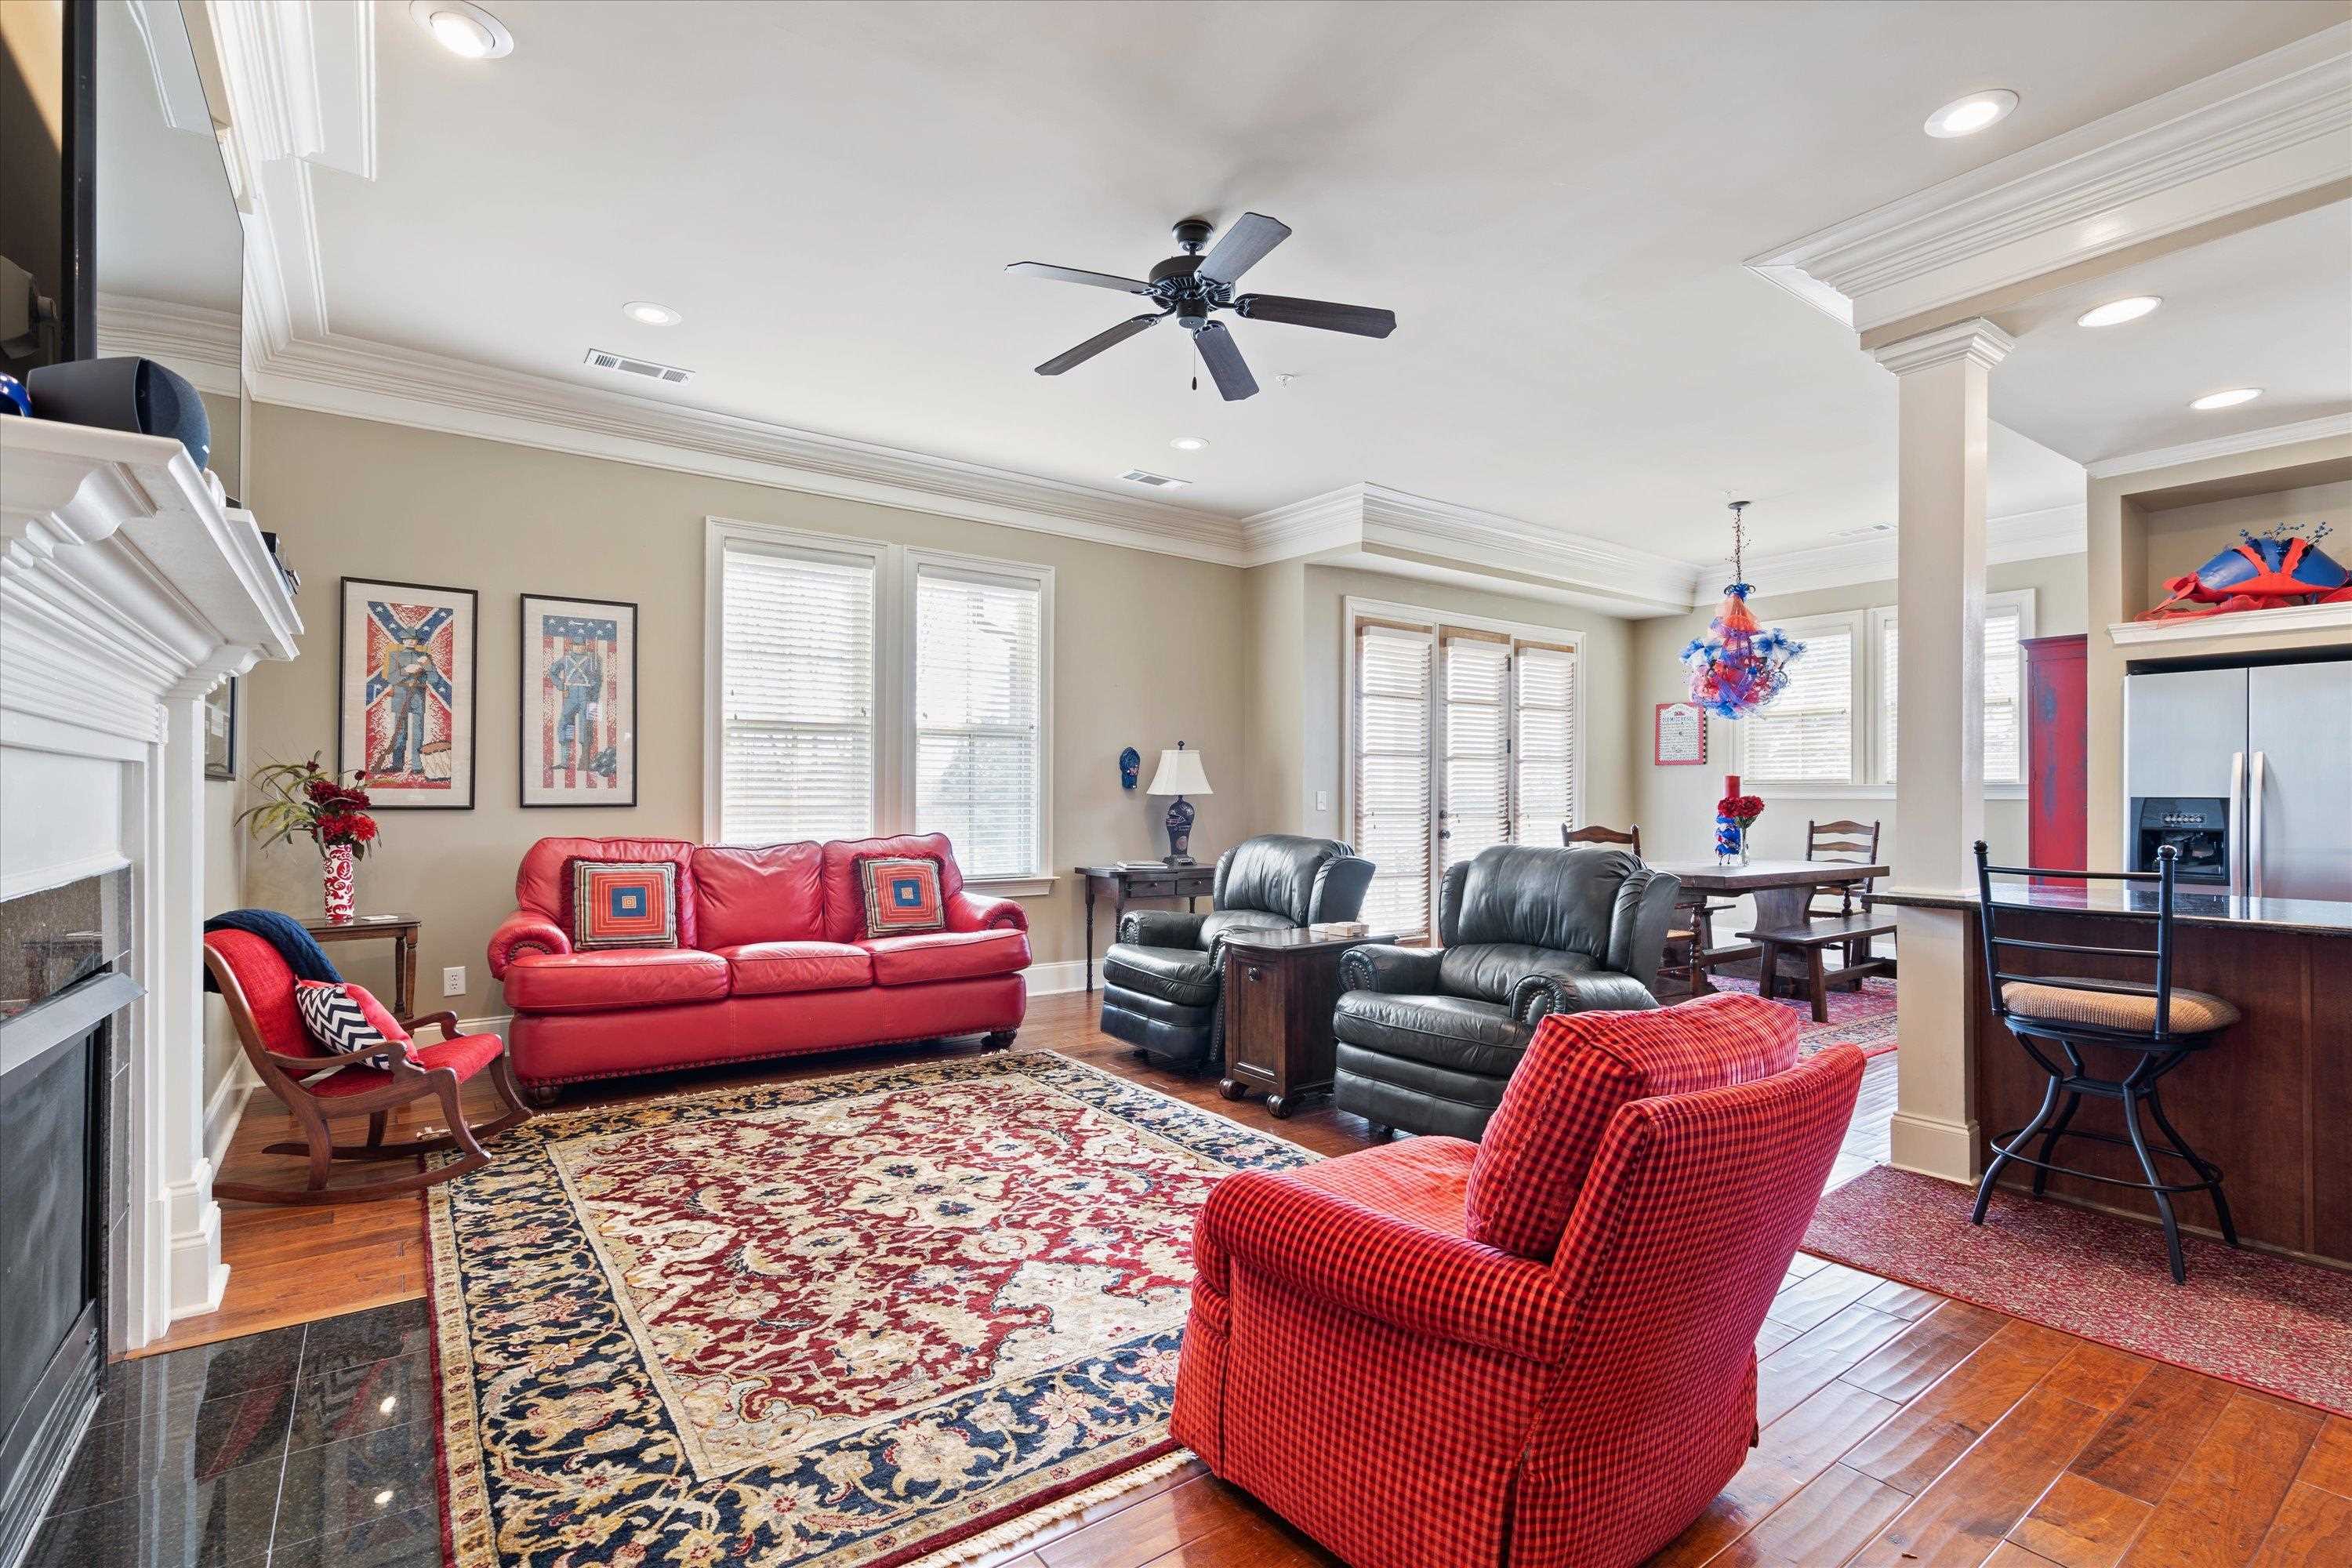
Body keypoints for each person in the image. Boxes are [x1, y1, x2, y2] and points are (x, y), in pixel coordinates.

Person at [377, 625, 437, 777]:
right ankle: (397, 765)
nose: (411, 642)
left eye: (414, 639)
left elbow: (434, 679)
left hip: (417, 695)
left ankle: (417, 766)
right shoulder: (395, 655)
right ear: (403, 640)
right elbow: (391, 678)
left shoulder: (425, 656)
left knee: (418, 733)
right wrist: (407, 670)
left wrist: (427, 665)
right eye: (408, 639)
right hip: (400, 695)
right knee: (400, 732)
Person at [548, 633, 604, 771]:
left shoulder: (593, 659)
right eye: (576, 646)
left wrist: (594, 700)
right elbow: (552, 671)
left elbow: (598, 680)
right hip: (570, 696)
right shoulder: (566, 659)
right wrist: (561, 685)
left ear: (585, 646)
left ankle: (585, 761)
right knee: (564, 725)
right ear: (572, 646)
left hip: (586, 696)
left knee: (586, 727)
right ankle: (565, 761)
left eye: (582, 646)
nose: (579, 648)